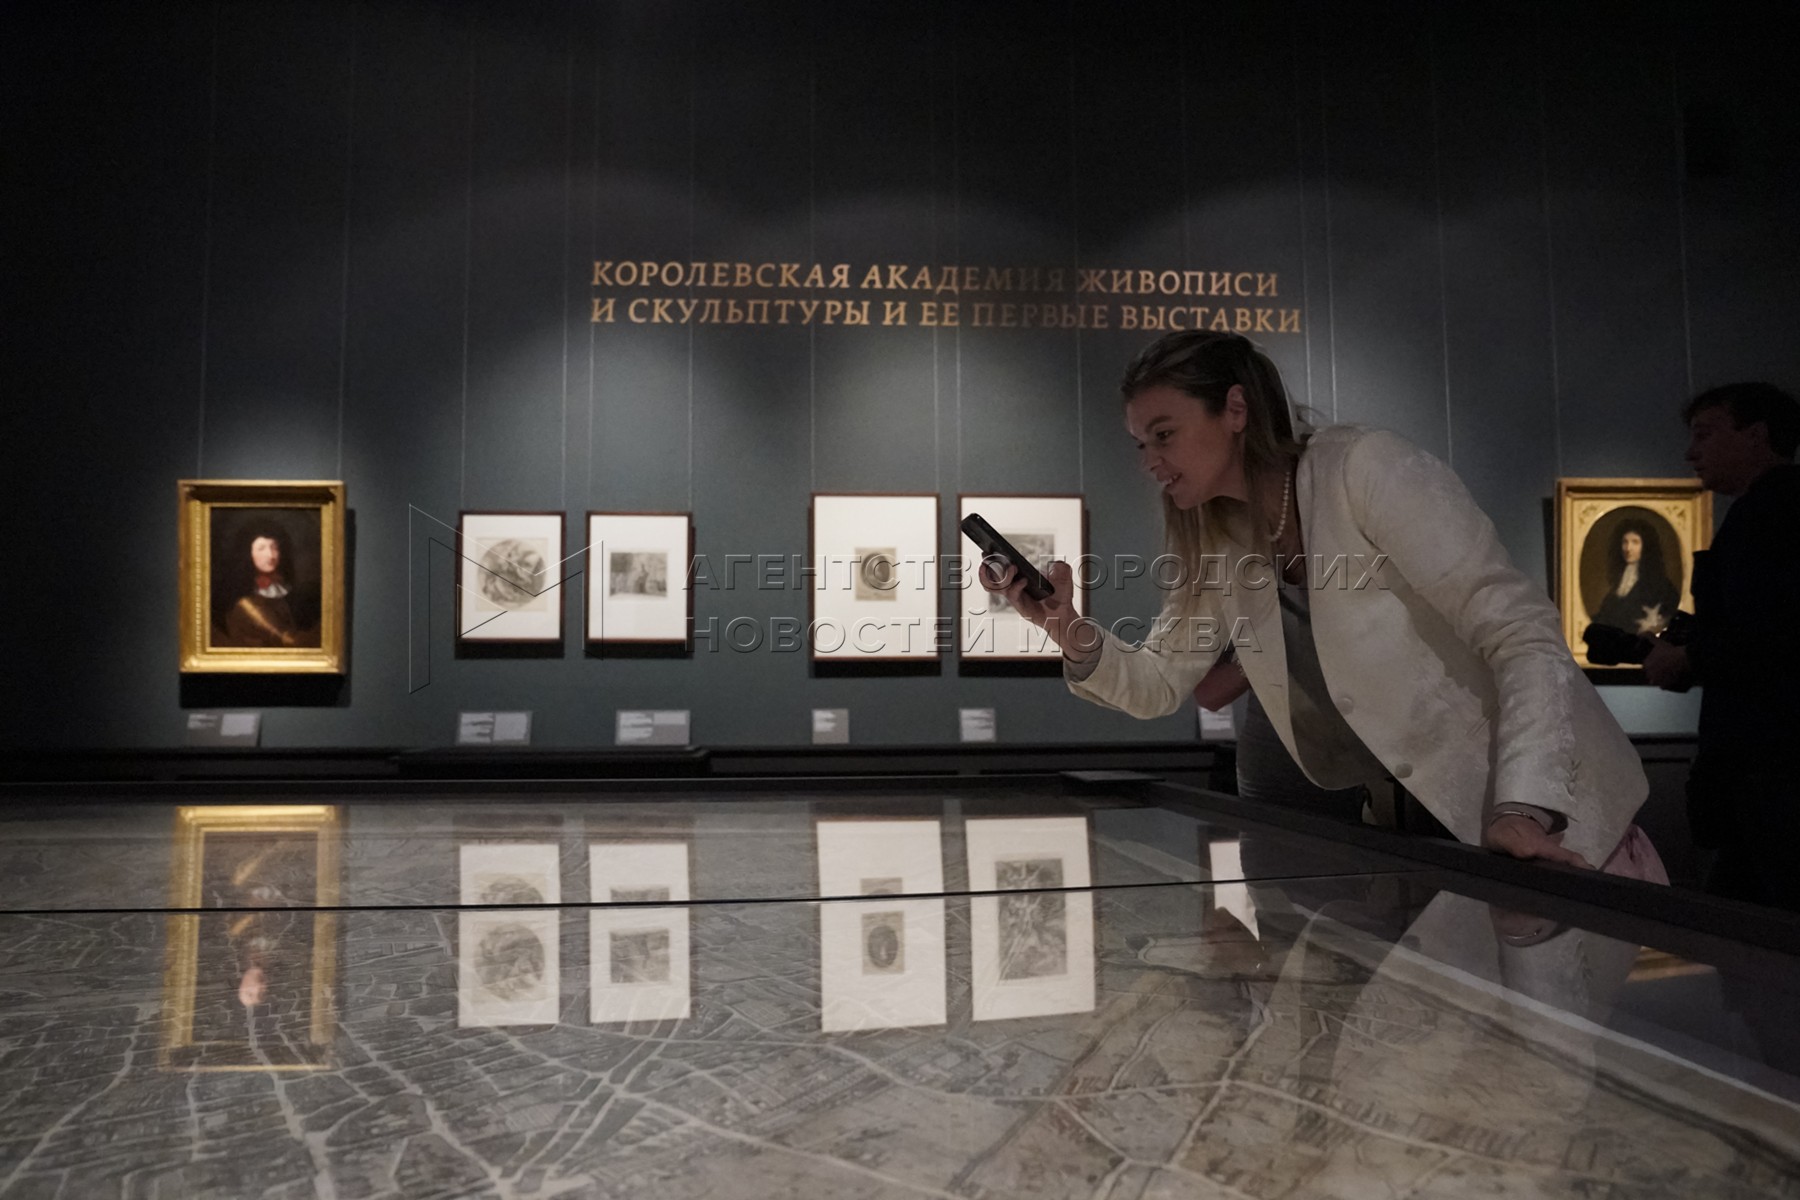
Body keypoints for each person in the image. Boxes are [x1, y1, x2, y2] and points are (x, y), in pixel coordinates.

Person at [982, 330, 1654, 870]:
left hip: (1551, 827)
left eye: (1164, 434)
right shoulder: (1221, 537)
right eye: (1139, 442)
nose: (1148, 460)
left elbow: (1522, 633)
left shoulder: (1365, 467)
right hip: (1411, 839)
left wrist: (1524, 805)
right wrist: (1065, 626)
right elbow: (1160, 682)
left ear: (1235, 410)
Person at [1644, 381, 1800, 911]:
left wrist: (1685, 657)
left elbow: (1772, 637)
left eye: (1705, 434)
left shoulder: (1769, 513)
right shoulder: (1769, 511)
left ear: (1756, 436)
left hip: (1769, 772)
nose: (1691, 453)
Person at [214, 520, 320, 648]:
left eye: (275, 547)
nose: (271, 555)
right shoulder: (243, 603)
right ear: (247, 553)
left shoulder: (287, 589)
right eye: (261, 548)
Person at [1591, 519, 1681, 636]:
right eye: (1625, 542)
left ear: (1646, 546)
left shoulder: (1660, 584)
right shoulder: (1619, 582)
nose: (1628, 548)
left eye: (1635, 542)